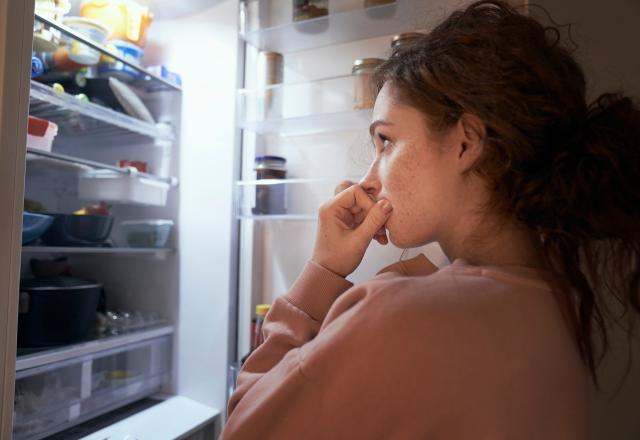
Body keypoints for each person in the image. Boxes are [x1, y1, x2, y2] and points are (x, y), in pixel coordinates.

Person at [222, 1, 640, 438]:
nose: (368, 179)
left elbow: (241, 428)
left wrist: (322, 272)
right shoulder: (554, 297)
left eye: (386, 140)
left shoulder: (398, 315)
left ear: (465, 143)